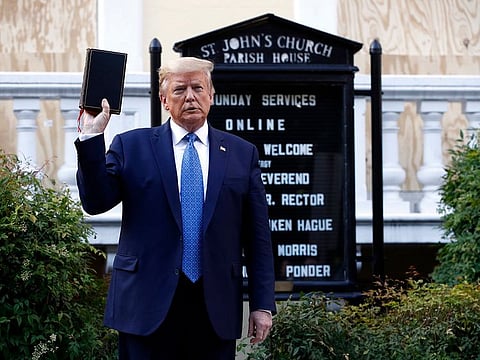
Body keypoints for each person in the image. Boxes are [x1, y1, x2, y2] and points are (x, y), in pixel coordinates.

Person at [75, 56, 276, 359]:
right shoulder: (132, 147)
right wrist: (92, 137)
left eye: (198, 88)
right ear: (164, 100)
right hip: (145, 305)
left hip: (215, 307)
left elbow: (258, 236)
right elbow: (95, 202)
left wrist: (262, 304)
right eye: (180, 89)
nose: (191, 96)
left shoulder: (241, 154)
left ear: (211, 96)